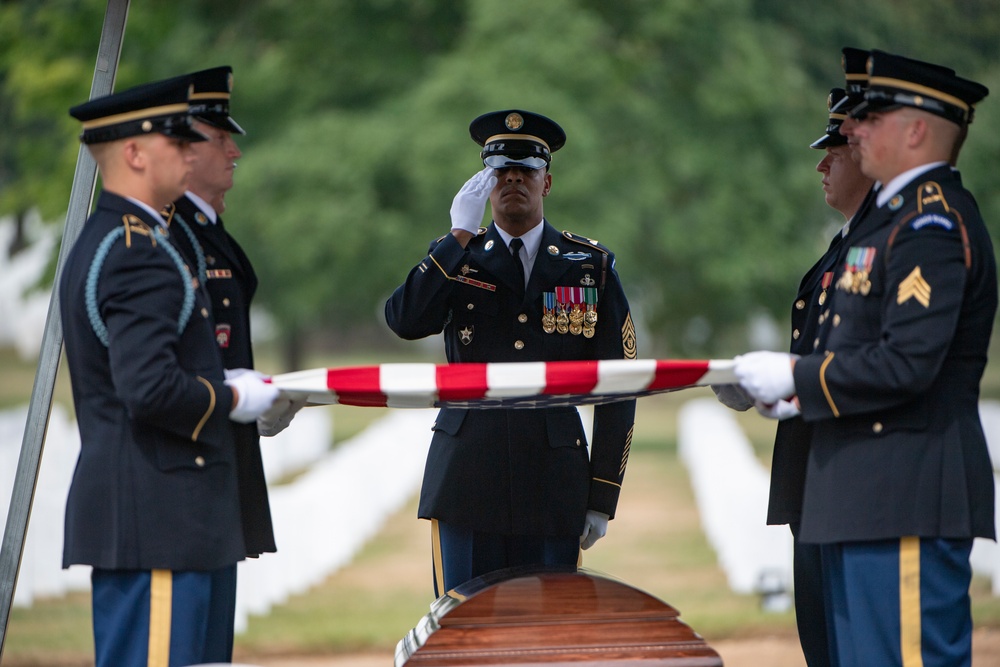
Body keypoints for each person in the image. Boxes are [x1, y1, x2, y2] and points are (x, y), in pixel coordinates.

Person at [734, 51, 994, 666]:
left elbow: (908, 363)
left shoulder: (931, 222)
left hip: (902, 493)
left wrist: (794, 374)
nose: (852, 130)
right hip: (862, 494)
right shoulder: (888, 224)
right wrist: (793, 392)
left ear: (916, 130)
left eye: (870, 117)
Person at [61, 76, 280, 666]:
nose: (193, 153)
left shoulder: (132, 239)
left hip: (170, 515)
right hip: (156, 515)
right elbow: (148, 387)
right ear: (134, 153)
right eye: (176, 142)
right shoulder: (135, 251)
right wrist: (233, 397)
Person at [385, 110, 638, 596]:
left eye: (527, 170)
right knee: (464, 636)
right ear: (485, 181)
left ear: (548, 182)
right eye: (501, 170)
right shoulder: (457, 257)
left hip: (554, 482)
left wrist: (602, 494)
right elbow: (404, 320)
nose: (514, 179)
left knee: (547, 639)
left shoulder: (591, 266)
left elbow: (620, 386)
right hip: (466, 480)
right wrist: (457, 235)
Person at [718, 82, 876, 667]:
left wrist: (790, 379)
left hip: (851, 484)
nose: (822, 162)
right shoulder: (842, 249)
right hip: (814, 483)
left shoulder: (882, 246)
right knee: (823, 648)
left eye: (835, 148)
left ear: (868, 152)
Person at [161, 66, 304, 562]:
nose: (235, 152)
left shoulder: (208, 231)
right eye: (220, 138)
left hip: (221, 452)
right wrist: (233, 394)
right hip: (189, 461)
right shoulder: (168, 236)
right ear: (183, 148)